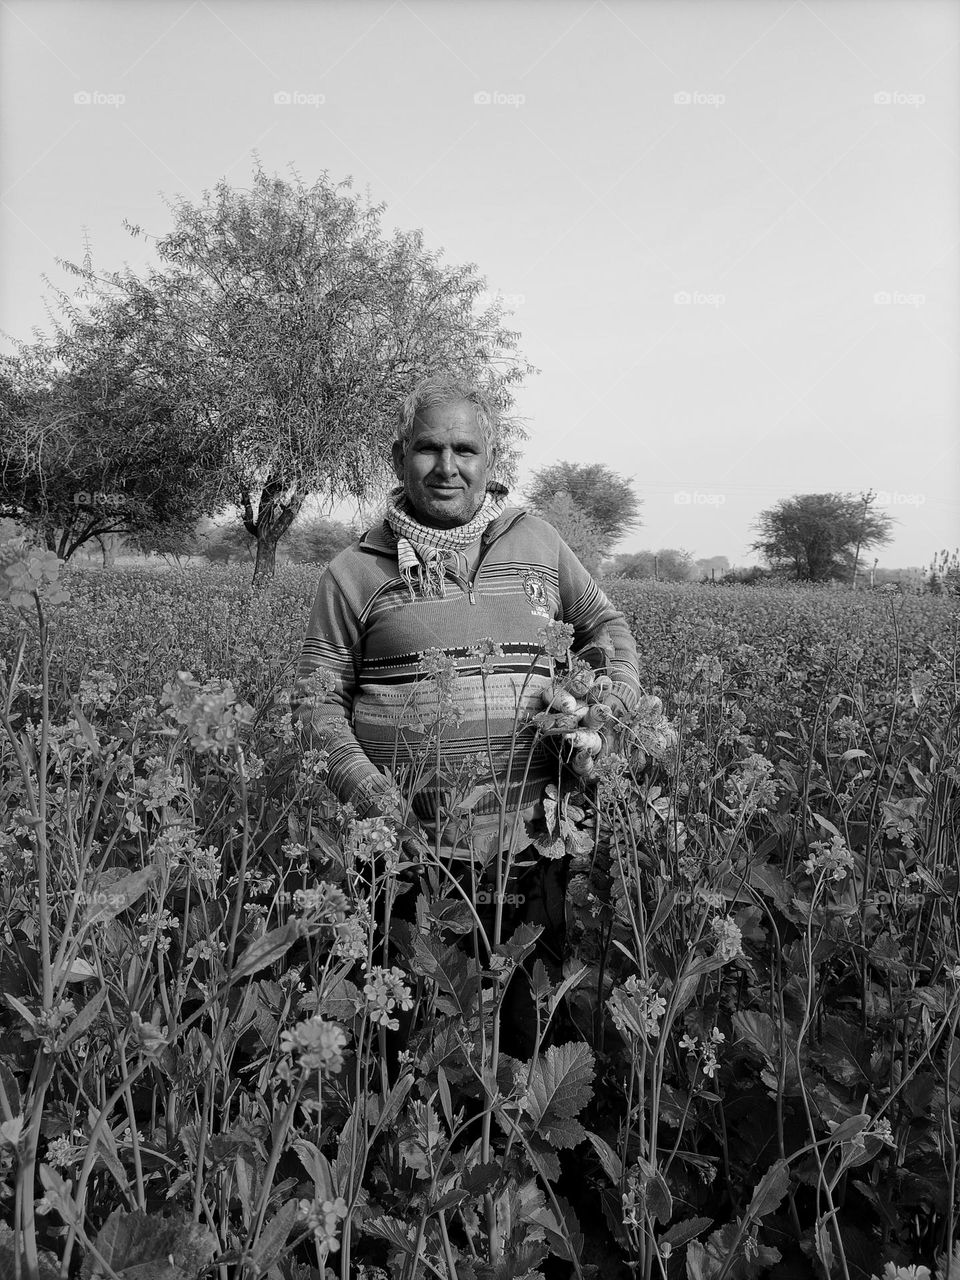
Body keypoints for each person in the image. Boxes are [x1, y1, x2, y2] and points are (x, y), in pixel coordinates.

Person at [292, 372, 640, 1053]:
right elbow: (315, 702)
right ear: (398, 459)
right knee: (404, 1040)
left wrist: (604, 706)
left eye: (465, 450)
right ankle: (402, 1154)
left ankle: (510, 1149)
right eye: (427, 449)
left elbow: (606, 624)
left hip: (529, 850)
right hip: (403, 857)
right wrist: (371, 794)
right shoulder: (354, 572)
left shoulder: (538, 543)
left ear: (491, 462)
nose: (446, 466)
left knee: (525, 1036)